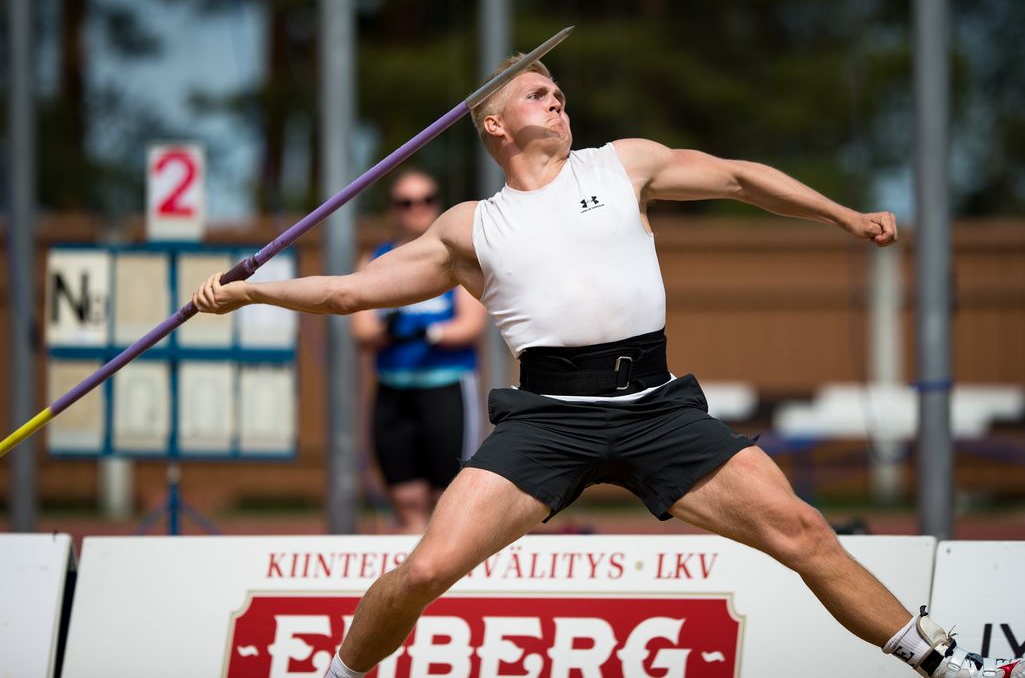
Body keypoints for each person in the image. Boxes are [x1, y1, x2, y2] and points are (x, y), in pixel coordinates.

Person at [193, 56, 1023, 678]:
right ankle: (341, 672)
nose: (555, 96)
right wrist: (254, 294)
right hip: (548, 418)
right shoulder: (469, 226)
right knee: (427, 569)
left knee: (805, 532)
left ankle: (942, 662)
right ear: (493, 125)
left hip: (659, 407)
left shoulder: (620, 163)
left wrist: (841, 215)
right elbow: (349, 292)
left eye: (557, 88)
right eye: (534, 91)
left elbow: (735, 177)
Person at [350, 169, 487, 533]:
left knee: (449, 498)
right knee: (406, 499)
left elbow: (471, 325)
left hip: (445, 388)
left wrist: (426, 332)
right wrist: (391, 330)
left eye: (425, 200)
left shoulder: (459, 256)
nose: (416, 209)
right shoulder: (375, 259)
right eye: (405, 202)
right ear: (393, 209)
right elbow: (363, 330)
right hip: (394, 391)